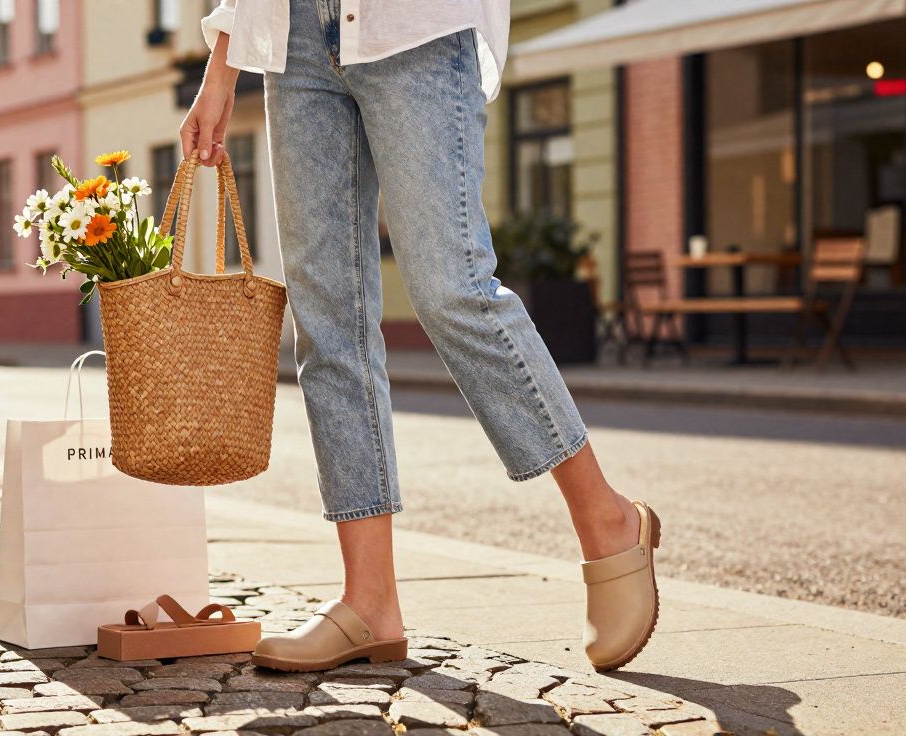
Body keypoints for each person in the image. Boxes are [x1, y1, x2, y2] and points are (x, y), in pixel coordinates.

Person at [181, 0, 660, 673]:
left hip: (417, 27)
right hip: (292, 42)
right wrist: (222, 67)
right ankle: (369, 601)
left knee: (453, 291)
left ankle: (607, 520)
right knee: (327, 324)